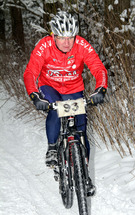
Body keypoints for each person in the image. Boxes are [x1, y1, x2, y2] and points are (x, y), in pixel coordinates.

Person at [24, 11, 107, 195]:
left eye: (70, 37)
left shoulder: (81, 45)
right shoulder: (44, 46)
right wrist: (34, 95)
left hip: (73, 89)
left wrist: (101, 88)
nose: (67, 43)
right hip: (49, 86)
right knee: (55, 109)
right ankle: (53, 148)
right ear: (53, 35)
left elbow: (98, 67)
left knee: (81, 131)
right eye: (62, 37)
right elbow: (30, 73)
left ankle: (84, 176)